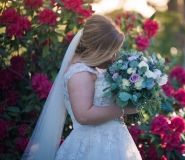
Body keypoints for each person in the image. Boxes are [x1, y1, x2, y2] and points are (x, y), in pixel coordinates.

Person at [22, 15, 142, 160]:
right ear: (96, 48)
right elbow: (83, 115)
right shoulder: (80, 73)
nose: (113, 58)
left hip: (111, 144)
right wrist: (124, 109)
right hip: (93, 148)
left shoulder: (94, 70)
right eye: (111, 52)